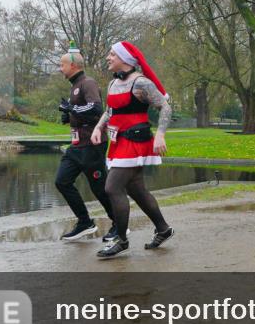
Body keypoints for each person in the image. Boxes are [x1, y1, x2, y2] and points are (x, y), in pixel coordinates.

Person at [90, 41, 174, 259]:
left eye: (112, 54)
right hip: (118, 143)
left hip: (135, 143)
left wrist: (161, 134)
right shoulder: (111, 84)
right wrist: (98, 127)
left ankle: (121, 239)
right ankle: (163, 229)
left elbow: (165, 106)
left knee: (112, 187)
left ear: (125, 59)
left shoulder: (141, 83)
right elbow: (110, 111)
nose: (108, 58)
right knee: (136, 190)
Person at [55, 43, 117, 242]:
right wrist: (69, 117)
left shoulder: (87, 82)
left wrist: (72, 110)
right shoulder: (74, 86)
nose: (59, 68)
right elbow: (83, 112)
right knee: (62, 181)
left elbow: (97, 110)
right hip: (77, 147)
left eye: (62, 64)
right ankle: (85, 222)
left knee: (99, 187)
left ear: (73, 65)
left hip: (93, 145)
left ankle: (119, 223)